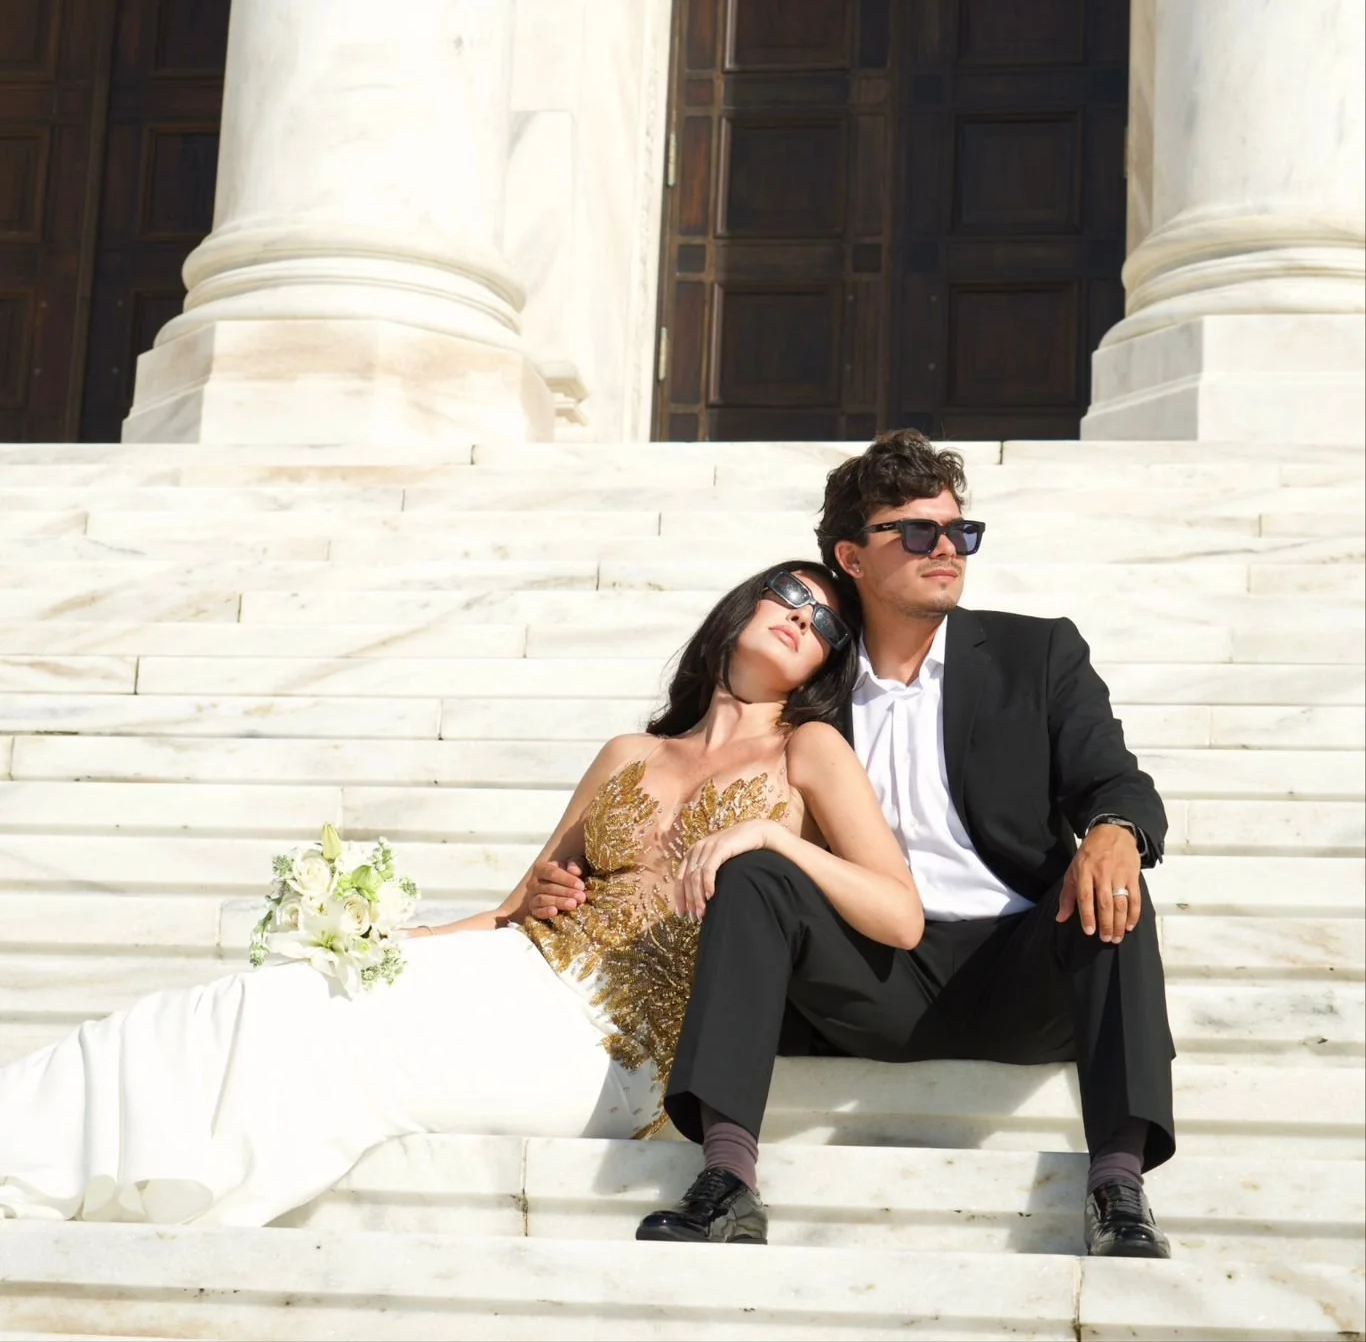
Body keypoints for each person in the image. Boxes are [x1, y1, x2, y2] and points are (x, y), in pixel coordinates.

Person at [0, 560, 922, 1234]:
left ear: (825, 668)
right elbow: (518, 903)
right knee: (268, 997)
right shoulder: (627, 756)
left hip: (619, 1044)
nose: (805, 619)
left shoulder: (810, 754)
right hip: (520, 972)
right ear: (742, 608)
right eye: (790, 597)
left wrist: (767, 836)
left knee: (334, 1038)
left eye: (830, 627)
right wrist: (387, 937)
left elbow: (900, 913)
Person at [532, 433, 1176, 1258]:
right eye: (915, 532)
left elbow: (1115, 781)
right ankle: (726, 1177)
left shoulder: (1035, 654)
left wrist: (1117, 835)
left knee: (1113, 887)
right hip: (869, 975)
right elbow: (685, 786)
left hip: (1023, 965)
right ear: (853, 556)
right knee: (760, 870)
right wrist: (574, 878)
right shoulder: (813, 694)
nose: (945, 548)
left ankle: (1118, 1186)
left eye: (958, 532)